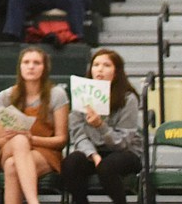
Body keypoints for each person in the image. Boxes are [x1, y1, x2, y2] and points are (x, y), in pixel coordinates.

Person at [60, 49, 142, 204]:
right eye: (96, 64)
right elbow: (79, 135)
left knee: (107, 167)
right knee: (71, 163)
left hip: (125, 152)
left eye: (106, 65)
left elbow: (123, 142)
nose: (100, 69)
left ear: (116, 72)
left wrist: (100, 126)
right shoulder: (81, 95)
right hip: (93, 151)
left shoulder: (128, 99)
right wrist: (93, 155)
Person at [0, 47, 70, 204]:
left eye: (36, 63)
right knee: (19, 140)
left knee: (12, 166)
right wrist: (15, 138)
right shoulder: (5, 96)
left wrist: (31, 139)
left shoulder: (57, 94)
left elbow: (61, 139)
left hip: (45, 151)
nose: (31, 66)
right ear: (20, 67)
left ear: (45, 68)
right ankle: (33, 201)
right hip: (11, 147)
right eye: (26, 62)